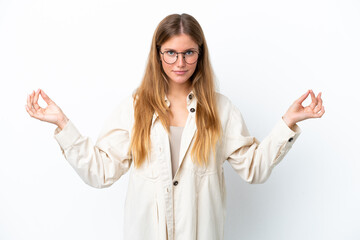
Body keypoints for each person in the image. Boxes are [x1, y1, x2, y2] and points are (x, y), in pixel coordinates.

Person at [25, 13, 324, 240]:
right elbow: (101, 172)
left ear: (200, 54)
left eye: (188, 52)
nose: (179, 62)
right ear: (158, 54)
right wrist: (63, 124)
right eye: (171, 52)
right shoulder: (136, 106)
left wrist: (288, 123)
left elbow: (254, 169)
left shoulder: (220, 109)